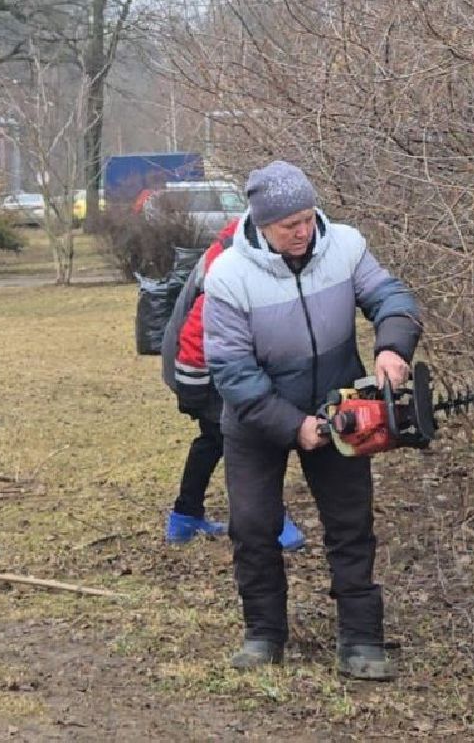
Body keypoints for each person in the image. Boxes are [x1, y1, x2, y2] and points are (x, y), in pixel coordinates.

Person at [204, 160, 422, 681]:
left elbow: (390, 296)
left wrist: (393, 347)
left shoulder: (344, 246)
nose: (302, 231)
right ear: (261, 224)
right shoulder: (228, 277)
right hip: (257, 418)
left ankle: (362, 640)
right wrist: (292, 426)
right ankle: (263, 635)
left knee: (351, 525)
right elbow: (232, 372)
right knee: (254, 525)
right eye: (288, 225)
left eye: (306, 218)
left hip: (338, 406)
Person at [161, 218, 305, 551]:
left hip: (210, 361)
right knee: (249, 437)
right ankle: (270, 518)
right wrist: (193, 389)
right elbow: (198, 330)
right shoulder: (229, 262)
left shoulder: (258, 250)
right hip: (195, 363)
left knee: (212, 439)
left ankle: (184, 518)